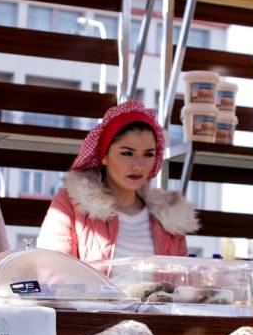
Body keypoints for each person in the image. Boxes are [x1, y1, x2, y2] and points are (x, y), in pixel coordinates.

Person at [38, 101, 199, 263]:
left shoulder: (171, 219)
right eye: (127, 153)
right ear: (104, 156)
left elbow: (181, 283)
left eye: (148, 154)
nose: (138, 165)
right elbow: (52, 270)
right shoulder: (69, 205)